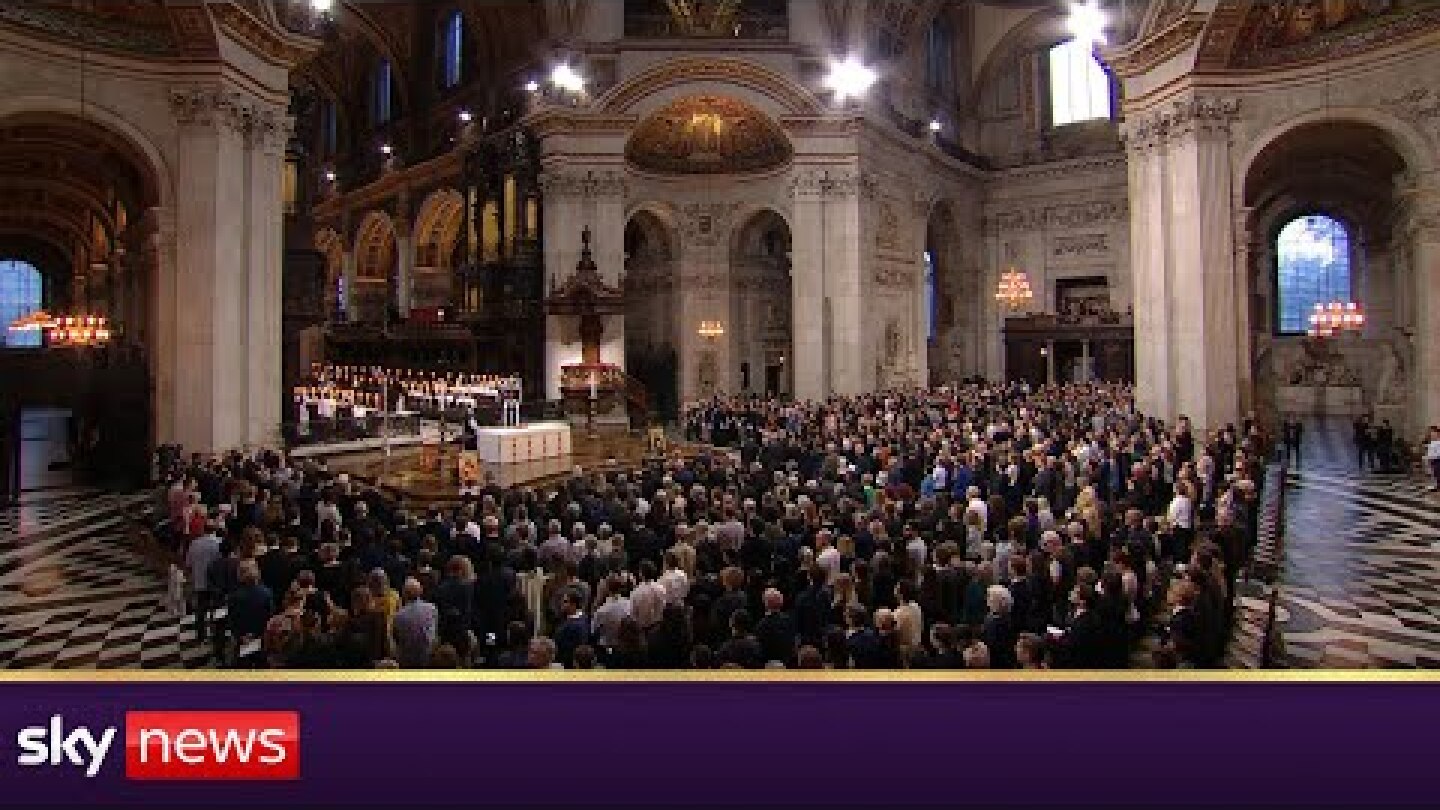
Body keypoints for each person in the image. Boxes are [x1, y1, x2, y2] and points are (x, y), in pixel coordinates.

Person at [392, 577, 438, 668]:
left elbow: (397, 638)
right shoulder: (432, 609)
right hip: (428, 656)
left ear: (404, 594)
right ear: (420, 591)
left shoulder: (399, 615)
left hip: (407, 659)